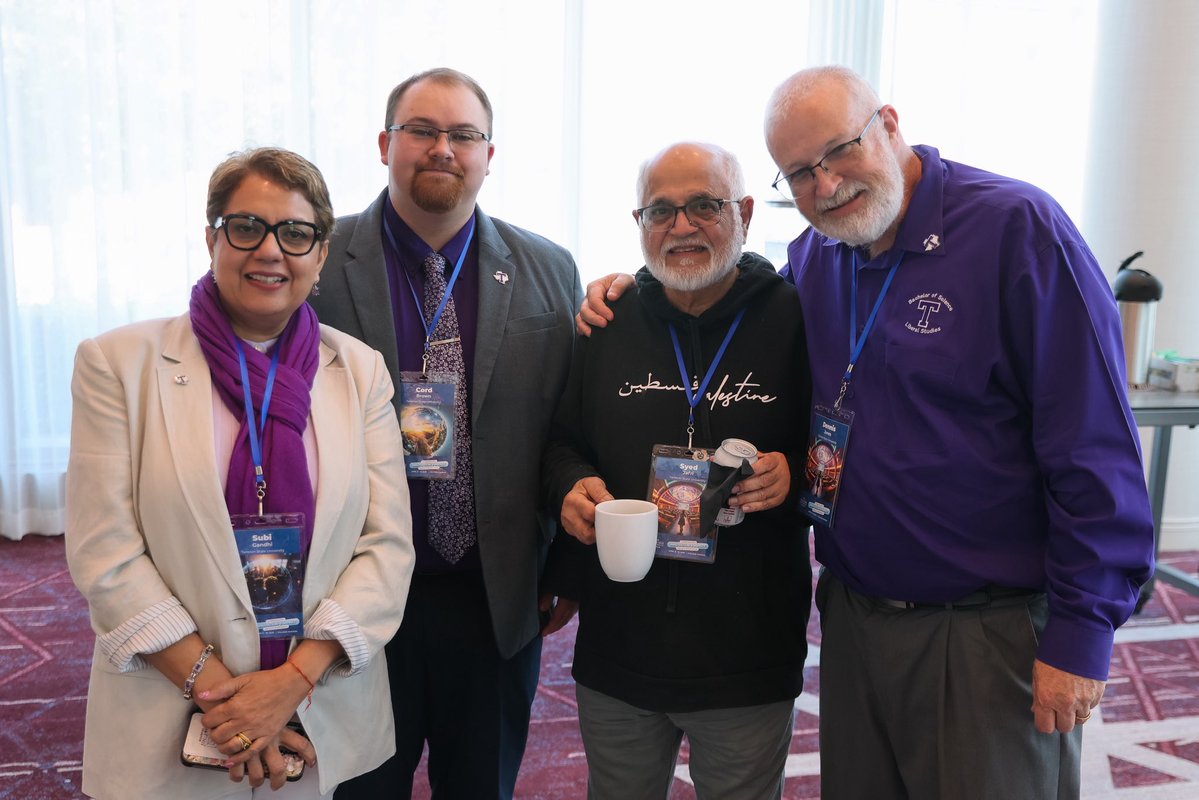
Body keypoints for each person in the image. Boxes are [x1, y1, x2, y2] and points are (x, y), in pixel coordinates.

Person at [578, 66, 1156, 799]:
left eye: (838, 151)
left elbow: (1093, 445)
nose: (824, 185)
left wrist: (1081, 633)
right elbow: (726, 286)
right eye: (799, 173)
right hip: (852, 618)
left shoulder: (1018, 231)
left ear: (887, 123)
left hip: (985, 628)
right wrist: (631, 286)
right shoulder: (818, 257)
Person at [65, 147, 415, 799]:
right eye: (246, 227)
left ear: (320, 252)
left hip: (321, 710)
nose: (270, 250)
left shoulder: (360, 369)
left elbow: (386, 547)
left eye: (295, 232)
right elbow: (104, 553)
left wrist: (290, 685)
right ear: (211, 237)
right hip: (169, 716)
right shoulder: (118, 363)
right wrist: (227, 699)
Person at [309, 68, 582, 800]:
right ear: (384, 144)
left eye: (463, 134)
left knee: (480, 788)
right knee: (358, 789)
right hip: (353, 595)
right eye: (421, 131)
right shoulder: (314, 262)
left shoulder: (549, 270)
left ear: (489, 154)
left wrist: (561, 569)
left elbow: (567, 426)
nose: (442, 149)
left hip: (492, 601)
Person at [542, 142, 812, 799]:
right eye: (659, 210)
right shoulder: (604, 321)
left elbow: (842, 446)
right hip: (619, 645)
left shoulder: (798, 316)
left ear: (744, 212)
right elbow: (560, 442)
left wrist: (792, 474)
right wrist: (568, 487)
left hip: (746, 650)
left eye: (703, 205)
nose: (681, 226)